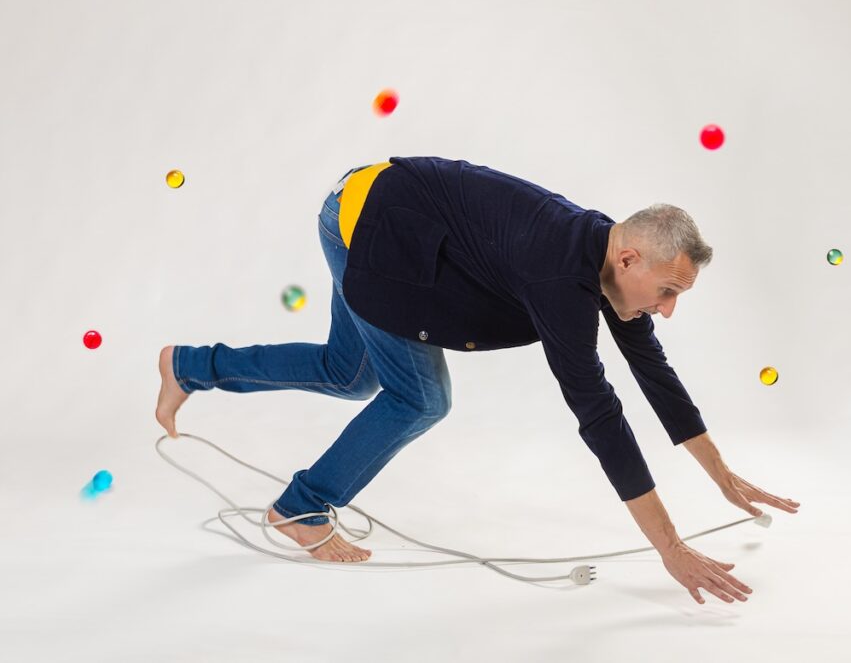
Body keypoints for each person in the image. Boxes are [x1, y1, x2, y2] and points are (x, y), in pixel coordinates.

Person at [155, 156, 799, 604]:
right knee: (420, 398)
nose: (667, 309)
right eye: (667, 291)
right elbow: (599, 414)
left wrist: (722, 476)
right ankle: (300, 506)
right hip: (371, 225)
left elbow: (653, 372)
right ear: (630, 258)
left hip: (384, 208)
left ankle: (189, 365)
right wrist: (670, 548)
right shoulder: (561, 276)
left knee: (346, 373)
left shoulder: (605, 258)